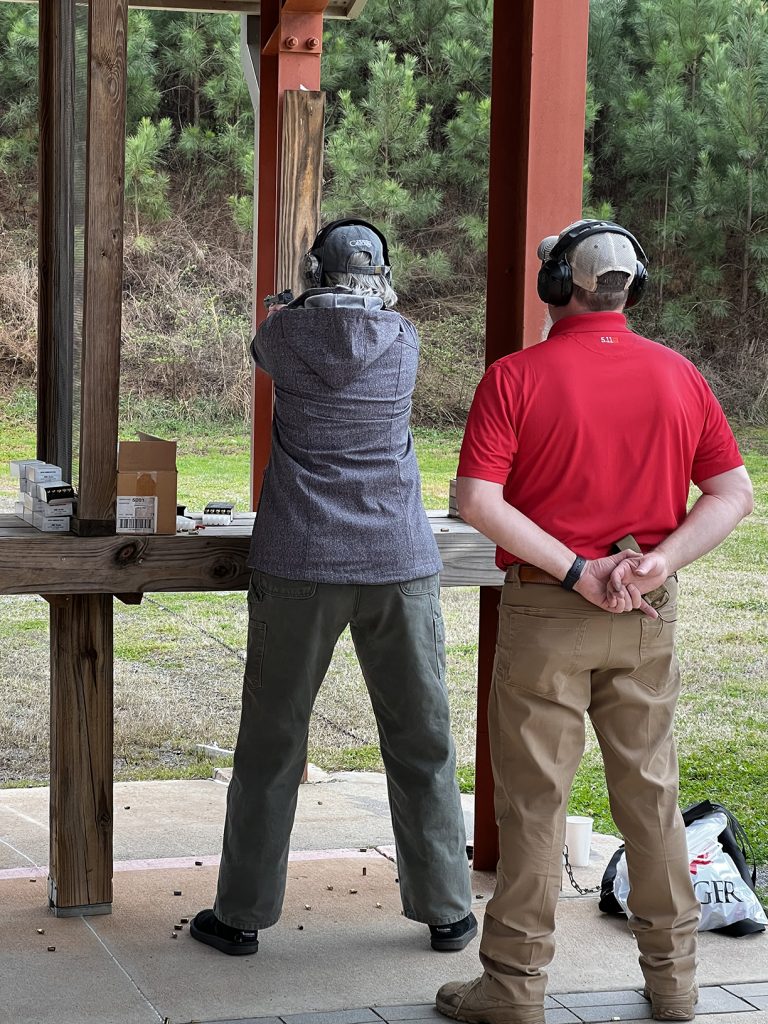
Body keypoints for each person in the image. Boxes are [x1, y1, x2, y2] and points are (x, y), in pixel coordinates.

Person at [436, 220, 753, 1024]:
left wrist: (575, 569)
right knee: (650, 799)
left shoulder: (514, 377)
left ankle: (513, 992)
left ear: (556, 287)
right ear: (630, 287)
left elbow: (476, 500)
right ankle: (676, 986)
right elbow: (732, 495)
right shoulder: (680, 375)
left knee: (536, 805)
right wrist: (658, 561)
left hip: (550, 609)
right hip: (647, 609)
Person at [192, 219, 476, 957]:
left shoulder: (283, 336)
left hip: (301, 562)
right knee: (421, 738)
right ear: (382, 273)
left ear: (318, 273)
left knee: (272, 742)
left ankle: (243, 915)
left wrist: (297, 301)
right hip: (396, 561)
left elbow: (269, 339)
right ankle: (447, 908)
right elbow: (364, 319)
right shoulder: (406, 339)